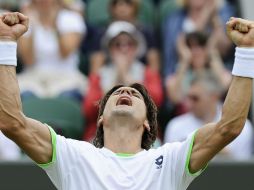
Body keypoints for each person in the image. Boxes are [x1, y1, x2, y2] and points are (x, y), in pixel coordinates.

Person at [0, 12, 254, 190]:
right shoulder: (73, 155)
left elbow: (229, 126)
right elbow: (13, 123)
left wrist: (246, 51)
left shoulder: (171, 160)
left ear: (146, 123)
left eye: (135, 94)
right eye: (117, 93)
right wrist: (6, 43)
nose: (126, 92)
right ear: (100, 117)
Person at [83, 21, 163, 141]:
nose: (124, 49)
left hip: (142, 134)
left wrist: (125, 75)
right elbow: (89, 109)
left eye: (129, 44)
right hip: (103, 134)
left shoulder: (147, 72)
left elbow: (156, 102)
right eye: (118, 44)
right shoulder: (99, 75)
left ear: (136, 47)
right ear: (109, 48)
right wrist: (116, 80)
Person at [164, 75, 253, 160]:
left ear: (213, 97)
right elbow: (169, 165)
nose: (188, 103)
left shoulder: (242, 126)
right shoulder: (175, 126)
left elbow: (243, 169)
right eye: (188, 97)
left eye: (195, 98)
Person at [18, 0, 87, 101]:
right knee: (26, 98)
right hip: (33, 77)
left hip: (66, 77)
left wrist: (55, 25)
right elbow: (28, 60)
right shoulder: (25, 20)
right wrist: (32, 27)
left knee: (66, 98)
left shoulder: (72, 18)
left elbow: (65, 53)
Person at [166, 31, 231, 114]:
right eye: (190, 47)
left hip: (215, 120)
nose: (196, 51)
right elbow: (175, 97)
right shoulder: (180, 74)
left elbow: (225, 86)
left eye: (201, 45)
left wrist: (212, 53)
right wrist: (185, 60)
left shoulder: (216, 71)